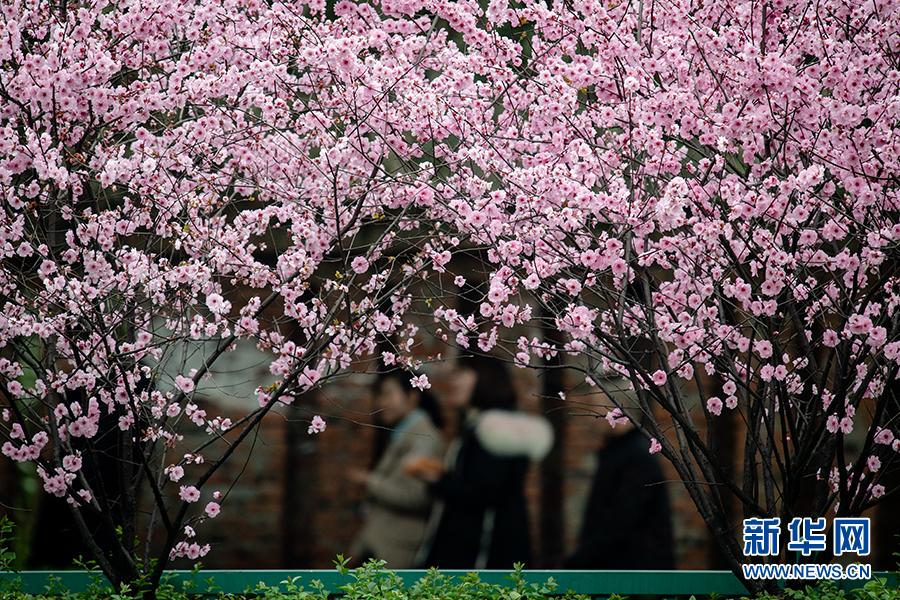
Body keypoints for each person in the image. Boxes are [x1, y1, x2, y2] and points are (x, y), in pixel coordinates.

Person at [412, 354, 554, 569]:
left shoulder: (495, 429)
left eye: (462, 374)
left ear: (484, 379)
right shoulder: (480, 425)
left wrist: (438, 482)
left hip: (485, 549)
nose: (454, 383)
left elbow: (481, 490)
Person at [348, 371, 445, 568]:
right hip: (380, 544)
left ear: (413, 396)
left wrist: (369, 481)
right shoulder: (403, 433)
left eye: (388, 394)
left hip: (399, 549)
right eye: (380, 395)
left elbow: (417, 496)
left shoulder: (424, 437)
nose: (381, 402)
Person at [564, 396, 674, 569]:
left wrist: (579, 560)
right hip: (621, 567)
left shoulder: (635, 455)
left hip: (634, 572)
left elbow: (622, 519)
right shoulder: (620, 451)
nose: (591, 418)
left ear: (616, 409)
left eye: (594, 407)